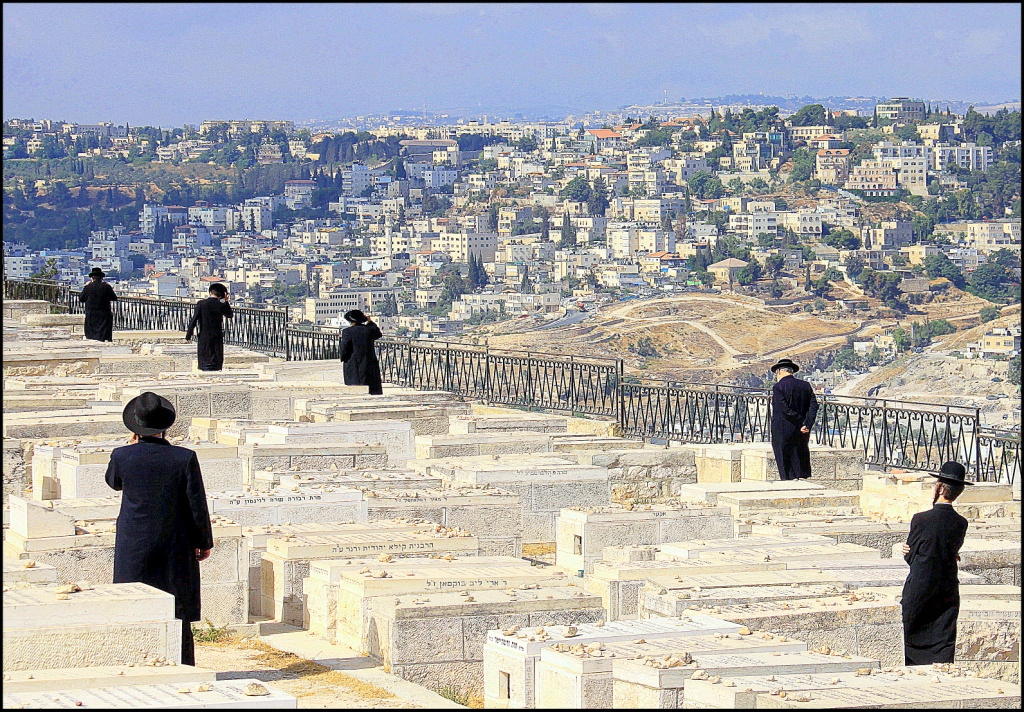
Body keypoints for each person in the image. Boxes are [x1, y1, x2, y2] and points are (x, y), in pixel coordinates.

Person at [105, 391, 213, 666]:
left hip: (134, 542)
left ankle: (133, 661)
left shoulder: (122, 456)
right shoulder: (184, 457)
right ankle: (183, 664)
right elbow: (196, 504)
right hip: (175, 543)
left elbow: (114, 482)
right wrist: (204, 541)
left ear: (135, 428)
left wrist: (131, 448)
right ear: (166, 427)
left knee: (133, 602)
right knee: (177, 606)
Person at [900, 461, 971, 666]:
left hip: (920, 587)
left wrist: (907, 551)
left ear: (940, 489)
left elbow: (912, 557)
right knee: (943, 637)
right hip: (947, 588)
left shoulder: (921, 519)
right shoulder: (961, 523)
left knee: (912, 637)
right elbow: (951, 550)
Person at [769, 358, 819, 481]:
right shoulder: (805, 386)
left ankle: (788, 485)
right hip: (802, 430)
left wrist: (800, 421)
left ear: (779, 371)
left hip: (783, 430)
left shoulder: (778, 387)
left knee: (785, 462)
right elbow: (814, 406)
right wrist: (807, 424)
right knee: (800, 459)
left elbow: (784, 409)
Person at [185, 283, 233, 371]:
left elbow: (194, 320)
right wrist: (226, 301)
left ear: (210, 292)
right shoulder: (221, 304)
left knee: (204, 359)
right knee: (216, 360)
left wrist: (188, 335)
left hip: (204, 335)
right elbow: (229, 315)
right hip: (217, 336)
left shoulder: (201, 304)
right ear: (221, 295)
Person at [339, 309, 383, 395]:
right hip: (369, 362)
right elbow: (378, 334)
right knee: (371, 387)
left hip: (353, 363)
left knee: (355, 387)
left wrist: (343, 357)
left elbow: (344, 347)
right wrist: (370, 322)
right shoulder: (369, 330)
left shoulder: (347, 332)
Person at [79, 267, 117, 342]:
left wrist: (85, 286)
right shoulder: (106, 287)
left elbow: (81, 299)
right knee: (103, 336)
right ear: (101, 278)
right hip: (104, 314)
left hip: (91, 314)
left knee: (91, 335)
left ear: (91, 278)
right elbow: (114, 297)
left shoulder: (88, 287)